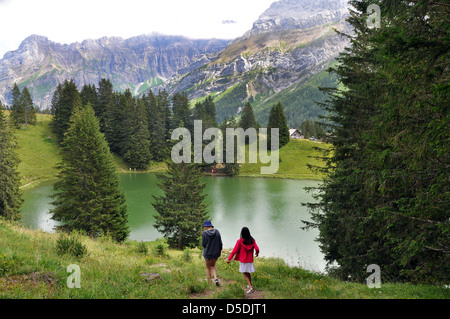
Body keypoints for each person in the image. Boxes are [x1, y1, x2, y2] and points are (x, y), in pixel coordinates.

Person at [227, 227, 259, 294]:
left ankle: (250, 288)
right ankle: (250, 285)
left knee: (245, 273)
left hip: (243, 260)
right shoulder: (252, 240)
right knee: (248, 273)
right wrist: (257, 253)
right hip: (250, 260)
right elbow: (257, 248)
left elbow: (234, 251)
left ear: (242, 233)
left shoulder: (240, 241)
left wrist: (229, 259)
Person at [201, 220, 223, 286]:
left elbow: (203, 244)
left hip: (208, 253)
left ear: (206, 226)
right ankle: (216, 278)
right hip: (216, 253)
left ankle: (209, 282)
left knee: (208, 267)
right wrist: (219, 251)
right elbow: (220, 243)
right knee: (213, 265)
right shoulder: (217, 232)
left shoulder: (204, 233)